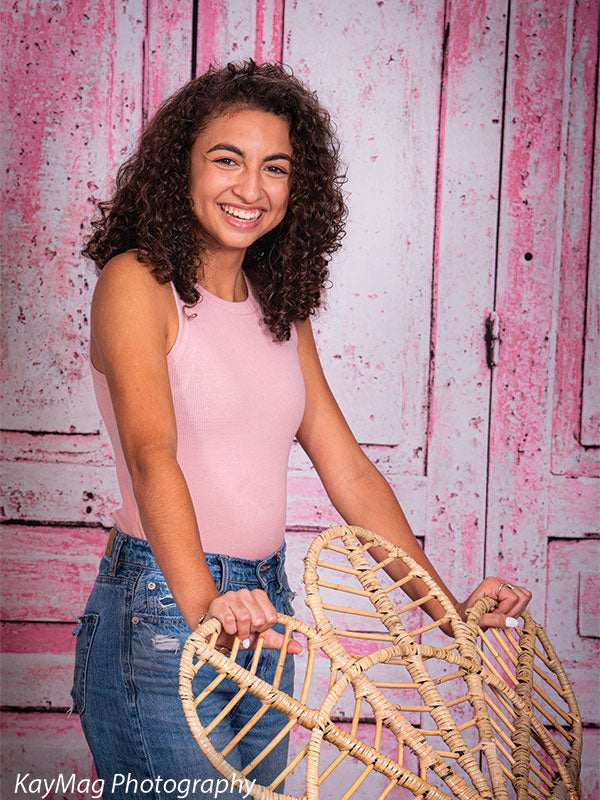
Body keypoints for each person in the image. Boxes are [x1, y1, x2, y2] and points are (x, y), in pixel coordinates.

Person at [70, 60, 532, 798]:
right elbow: (151, 454)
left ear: (298, 187)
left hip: (266, 613)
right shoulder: (136, 280)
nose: (251, 189)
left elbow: (348, 471)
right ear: (177, 167)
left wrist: (450, 618)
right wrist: (204, 612)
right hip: (166, 610)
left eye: (275, 168)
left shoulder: (277, 307)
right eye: (227, 159)